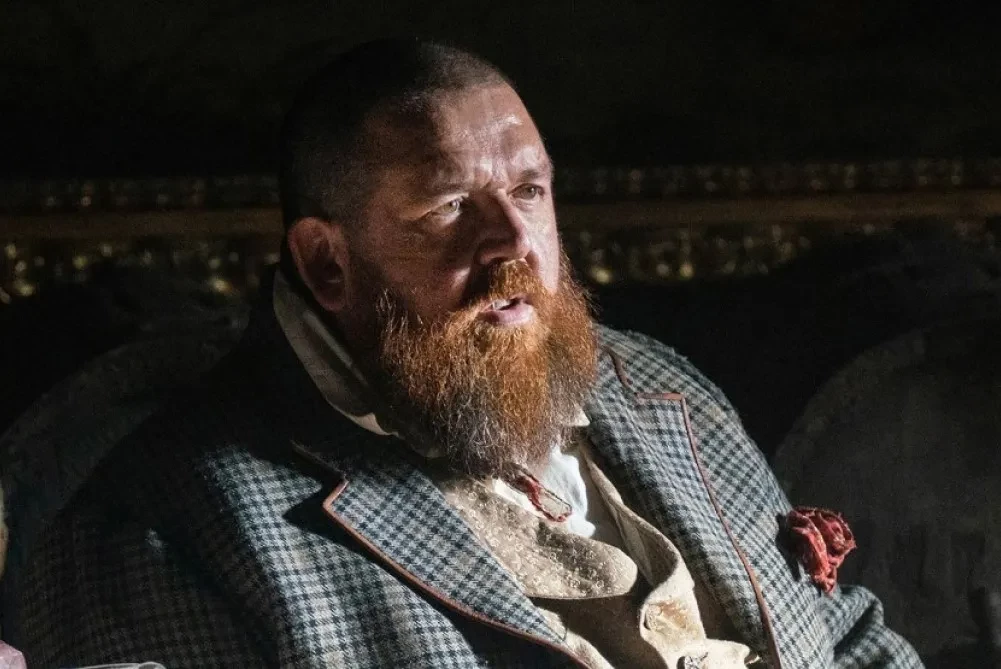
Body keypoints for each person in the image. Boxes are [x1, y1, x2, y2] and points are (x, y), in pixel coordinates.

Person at [1, 39, 921, 668]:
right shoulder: (158, 532)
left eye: (529, 191)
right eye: (449, 208)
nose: (512, 243)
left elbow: (846, 640)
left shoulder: (660, 388)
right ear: (327, 263)